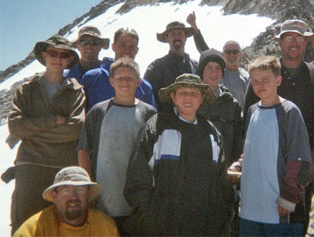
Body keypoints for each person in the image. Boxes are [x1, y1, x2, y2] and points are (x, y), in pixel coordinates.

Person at [123, 74, 233, 236]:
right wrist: (148, 216)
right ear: (173, 97)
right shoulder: (157, 127)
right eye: (182, 92)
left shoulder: (212, 133)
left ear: (202, 98)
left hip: (203, 224)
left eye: (194, 93)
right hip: (163, 225)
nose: (188, 97)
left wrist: (222, 215)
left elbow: (221, 180)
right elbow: (138, 174)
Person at [244, 19, 314, 229]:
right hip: (264, 163)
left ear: (306, 43)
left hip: (300, 163)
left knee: (296, 218)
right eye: (288, 37)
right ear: (280, 42)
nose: (294, 42)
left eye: (299, 37)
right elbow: (248, 120)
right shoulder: (266, 73)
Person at [7, 35, 86, 234]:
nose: (58, 58)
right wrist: (53, 121)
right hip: (30, 168)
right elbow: (15, 127)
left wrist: (32, 131)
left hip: (62, 169)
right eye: (53, 53)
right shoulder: (25, 90)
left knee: (62, 226)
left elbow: (76, 128)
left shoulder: (76, 91)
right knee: (24, 223)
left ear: (69, 60)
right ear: (44, 55)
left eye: (63, 54)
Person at [78, 57, 157, 235]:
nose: (124, 82)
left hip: (138, 198)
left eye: (129, 78)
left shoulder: (149, 113)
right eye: (119, 78)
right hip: (104, 195)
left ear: (138, 82)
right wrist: (88, 187)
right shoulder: (98, 111)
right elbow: (83, 150)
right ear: (111, 81)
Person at [238, 55, 311, 236]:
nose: (259, 85)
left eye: (265, 80)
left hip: (278, 208)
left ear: (278, 80)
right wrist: (239, 164)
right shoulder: (252, 111)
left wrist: (289, 196)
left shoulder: (289, 112)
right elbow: (251, 149)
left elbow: (298, 157)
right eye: (255, 81)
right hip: (250, 204)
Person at [13, 166, 119, 237]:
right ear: (54, 196)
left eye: (80, 190)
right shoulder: (32, 231)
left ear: (89, 193)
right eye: (66, 191)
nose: (73, 197)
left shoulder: (105, 226)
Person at [144, 12, 209, 112]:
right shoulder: (156, 67)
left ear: (186, 37)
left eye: (180, 34)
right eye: (173, 34)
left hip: (195, 123)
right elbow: (147, 97)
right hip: (166, 123)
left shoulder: (196, 66)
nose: (177, 37)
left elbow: (209, 56)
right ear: (167, 38)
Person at [81, 27, 156, 111]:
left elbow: (152, 119)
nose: (127, 50)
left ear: (137, 50)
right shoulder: (92, 78)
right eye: (122, 45)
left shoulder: (144, 87)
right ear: (113, 47)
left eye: (131, 47)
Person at [197, 49, 243, 166]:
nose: (214, 72)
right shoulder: (191, 101)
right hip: (196, 170)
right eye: (209, 68)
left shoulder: (232, 104)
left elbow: (239, 141)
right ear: (201, 72)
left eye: (218, 68)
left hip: (224, 170)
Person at [222, 40, 250, 110]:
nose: (231, 55)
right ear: (223, 54)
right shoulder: (217, 75)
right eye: (228, 52)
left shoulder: (247, 76)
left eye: (235, 52)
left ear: (240, 54)